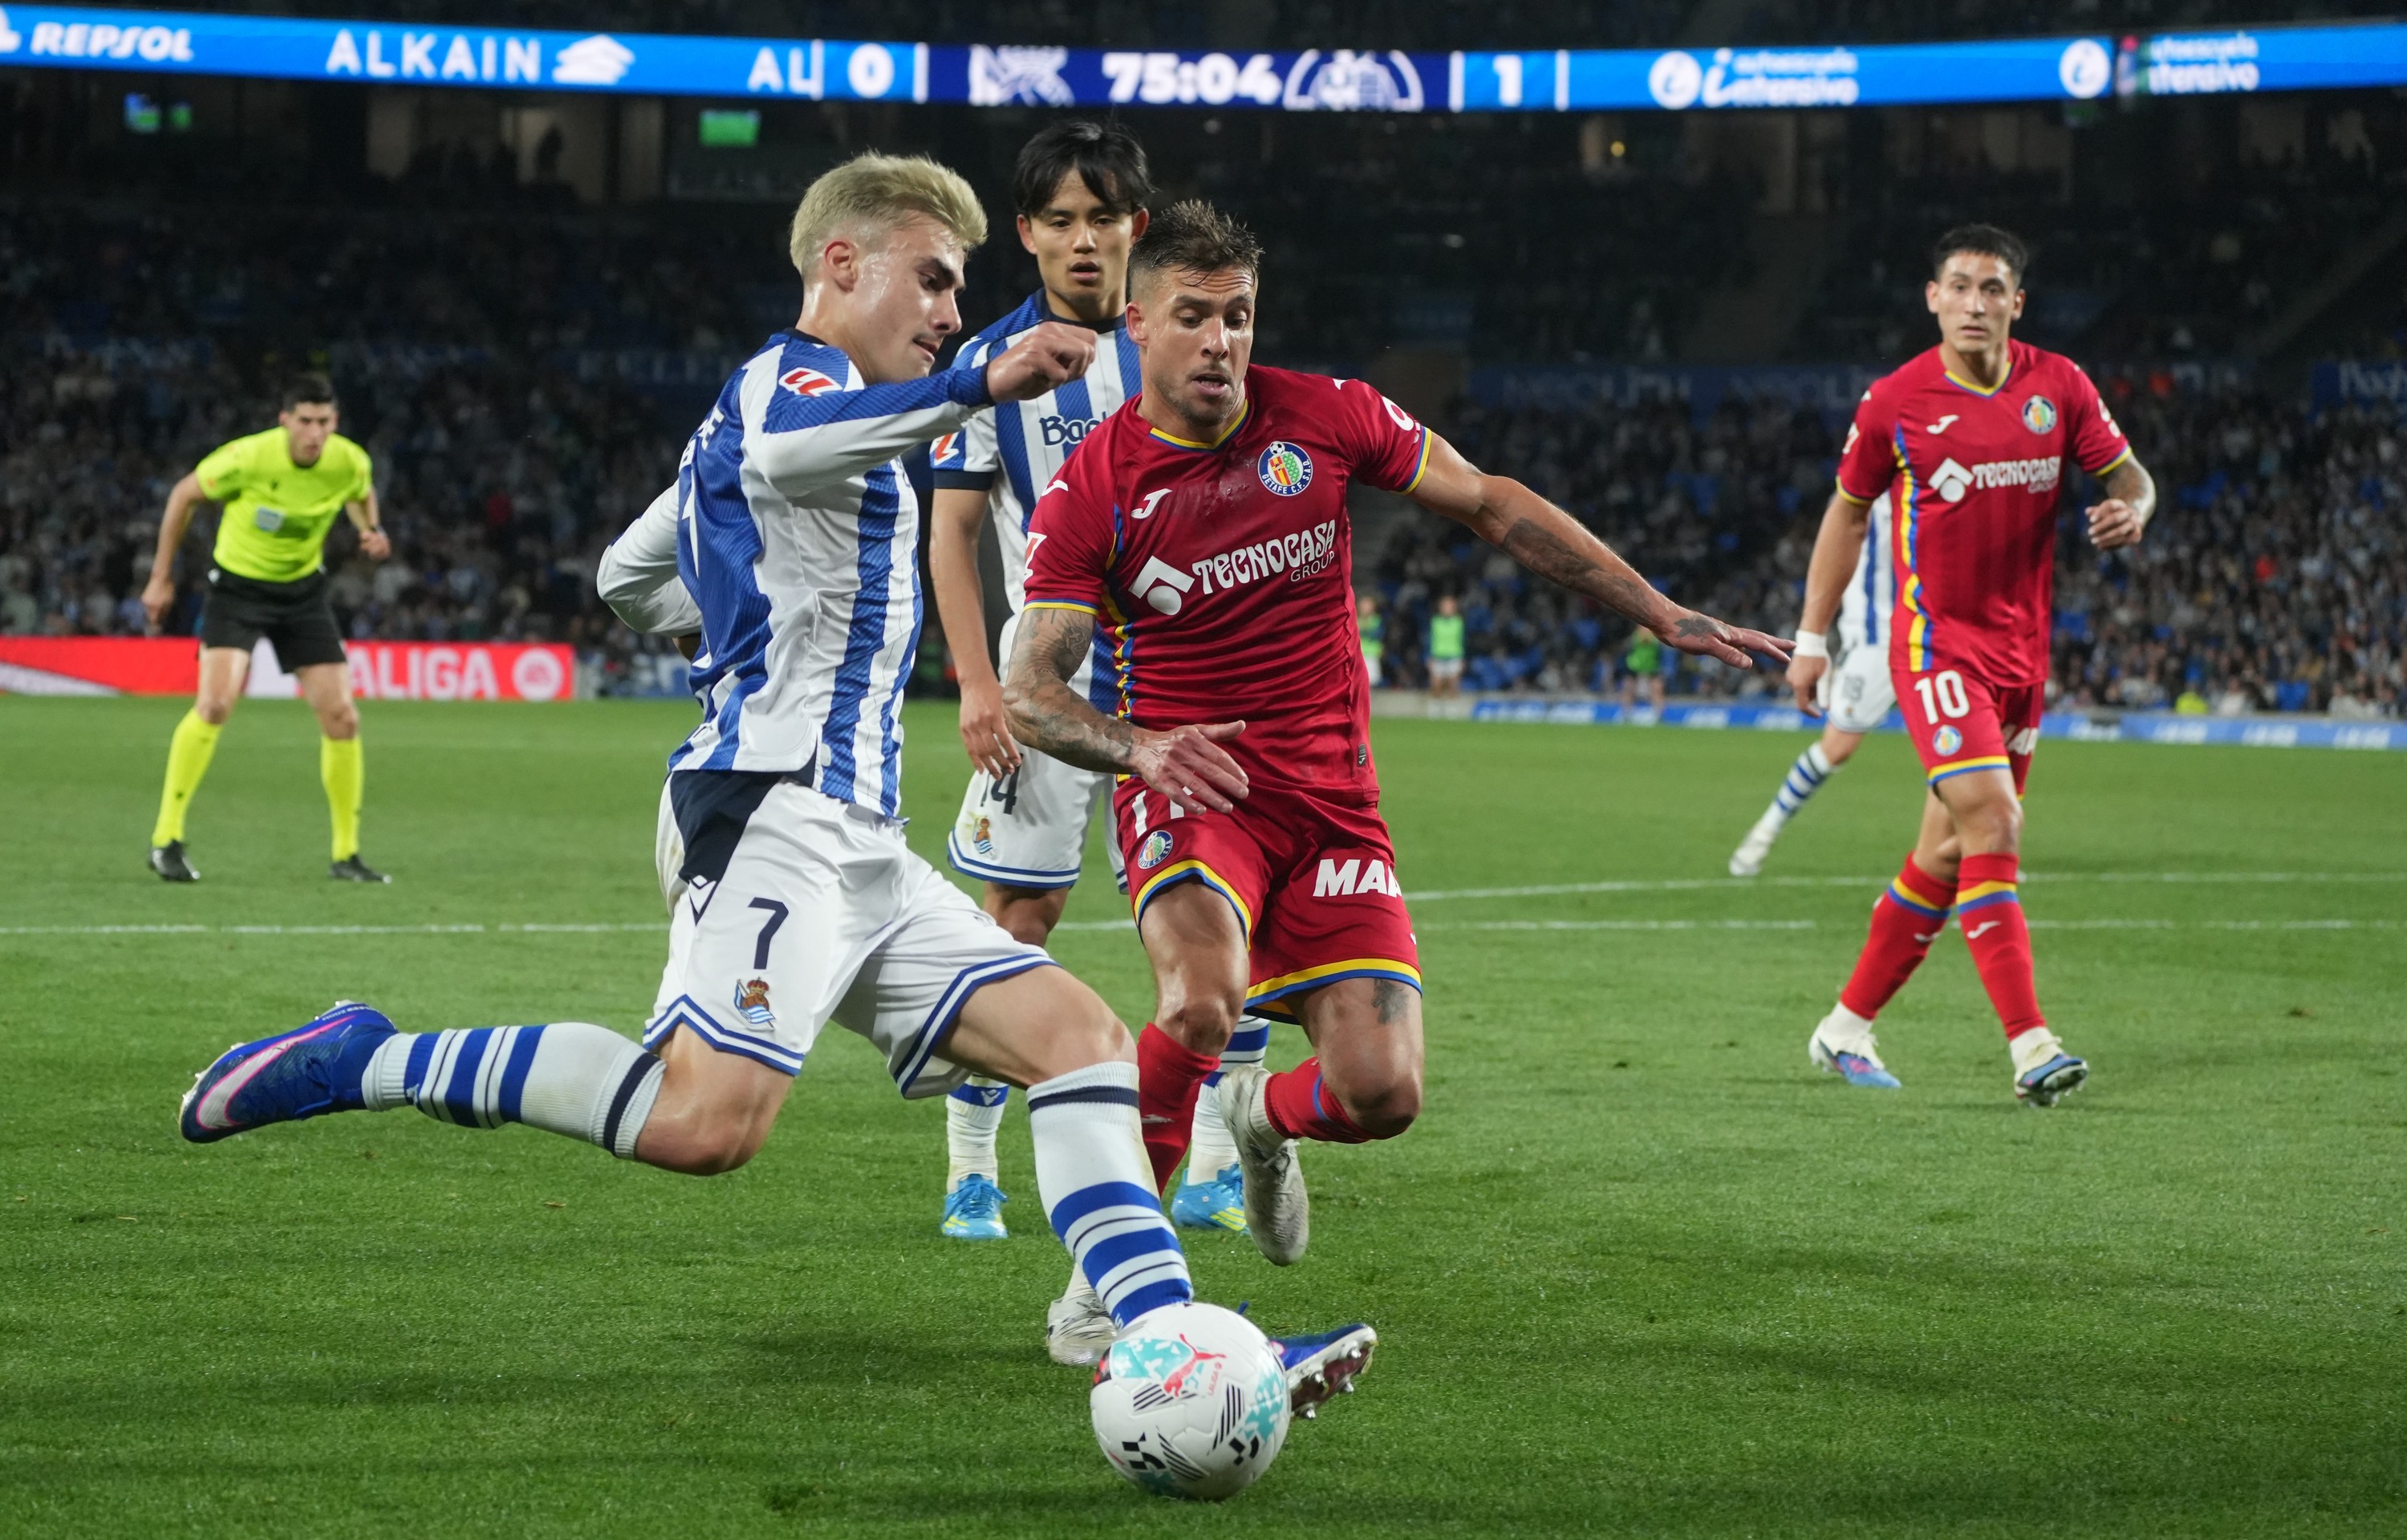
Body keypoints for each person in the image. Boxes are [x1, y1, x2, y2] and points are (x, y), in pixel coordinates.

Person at [175, 155, 1378, 1417]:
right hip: (767, 813)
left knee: (1079, 1042)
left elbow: (623, 577)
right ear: (840, 266)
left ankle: (1167, 1337)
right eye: (933, 279)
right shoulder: (788, 384)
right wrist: (976, 382)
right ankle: (370, 1057)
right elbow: (790, 447)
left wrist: (739, 631)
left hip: (857, 839)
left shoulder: (784, 418)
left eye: (960, 294)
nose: (950, 312)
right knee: (706, 1125)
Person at [1003, 200, 1788, 1275]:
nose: (1223, 342)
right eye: (1194, 316)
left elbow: (1491, 502)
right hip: (1195, 787)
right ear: (1138, 323)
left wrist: (1659, 610)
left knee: (1382, 1094)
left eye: (1239, 316)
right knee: (1196, 1004)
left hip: (1331, 804)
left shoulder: (1327, 416)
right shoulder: (1095, 484)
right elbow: (1030, 692)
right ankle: (1116, 1289)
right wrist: (1140, 748)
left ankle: (1264, 1120)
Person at [926, 123, 1263, 1264]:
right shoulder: (992, 366)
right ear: (1023, 233)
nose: (1083, 241)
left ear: (1139, 227)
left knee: (1220, 921)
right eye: (1060, 220)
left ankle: (1213, 1160)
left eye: (1104, 218)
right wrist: (978, 683)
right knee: (1017, 923)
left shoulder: (1182, 344)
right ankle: (973, 1178)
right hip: (1051, 692)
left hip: (1186, 686)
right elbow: (955, 531)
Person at [1789, 224, 2155, 1102]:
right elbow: (1844, 516)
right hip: (1935, 647)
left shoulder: (2058, 386)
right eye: (1959, 286)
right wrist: (1812, 638)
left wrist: (2136, 509)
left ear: (2016, 304)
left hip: (2023, 657)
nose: (1975, 304)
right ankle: (2032, 1046)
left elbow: (2132, 476)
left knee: (1950, 852)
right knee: (1993, 821)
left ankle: (1844, 1028)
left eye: (1993, 289)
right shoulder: (1896, 402)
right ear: (1933, 298)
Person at [139, 372, 391, 883]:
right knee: (214, 705)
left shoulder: (349, 461)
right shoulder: (247, 458)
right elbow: (183, 496)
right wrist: (160, 578)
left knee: (342, 717)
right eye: (305, 422)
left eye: (324, 422)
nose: (315, 433)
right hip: (237, 589)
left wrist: (370, 530)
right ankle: (166, 839)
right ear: (284, 421)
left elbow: (358, 492)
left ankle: (346, 854)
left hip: (302, 593)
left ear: (334, 422)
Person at [1729, 493, 1895, 877]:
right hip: (1877, 640)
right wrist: (1813, 641)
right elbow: (1840, 531)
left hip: (1939, 634)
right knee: (1837, 748)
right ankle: (1764, 831)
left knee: (1956, 746)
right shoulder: (1874, 475)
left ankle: (1983, 850)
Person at [1618, 626, 1666, 716]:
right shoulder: (1634, 638)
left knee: (1657, 690)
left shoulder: (1656, 638)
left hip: (1652, 666)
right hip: (1634, 666)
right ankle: (1626, 714)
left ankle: (1659, 714)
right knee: (1628, 689)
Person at [1425, 594, 1465, 697]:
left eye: (1450, 607)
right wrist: (1428, 657)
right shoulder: (1435, 622)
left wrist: (1463, 658)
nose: (1447, 609)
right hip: (1437, 656)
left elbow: (1463, 641)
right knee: (1436, 688)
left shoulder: (1459, 622)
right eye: (1445, 606)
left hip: (1454, 656)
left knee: (1453, 688)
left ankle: (1453, 711)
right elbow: (1429, 640)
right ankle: (1435, 710)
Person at [1356, 593, 1384, 687]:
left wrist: (1363, 632)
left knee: (1370, 681)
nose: (1365, 608)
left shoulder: (1376, 620)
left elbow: (1377, 635)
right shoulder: (1355, 619)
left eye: (1368, 605)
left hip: (1371, 655)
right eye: (1364, 605)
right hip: (1357, 654)